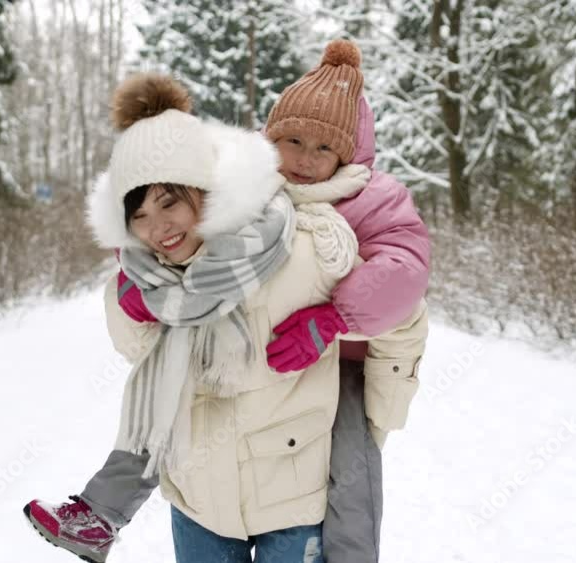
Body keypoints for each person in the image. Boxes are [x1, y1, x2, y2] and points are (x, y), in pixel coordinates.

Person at [26, 39, 429, 563]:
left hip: (327, 396)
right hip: (206, 480)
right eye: (292, 141)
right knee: (171, 392)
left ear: (348, 154)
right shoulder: (224, 208)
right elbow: (151, 340)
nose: (304, 160)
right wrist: (138, 293)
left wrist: (336, 321)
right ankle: (103, 511)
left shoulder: (354, 212)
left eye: (323, 148)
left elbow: (406, 286)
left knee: (352, 474)